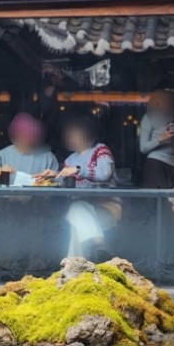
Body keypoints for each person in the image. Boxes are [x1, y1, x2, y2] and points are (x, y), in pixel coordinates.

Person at [42, 111, 118, 260]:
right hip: (82, 208)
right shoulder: (70, 159)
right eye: (69, 134)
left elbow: (104, 173)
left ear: (87, 133)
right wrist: (53, 177)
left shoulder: (100, 150)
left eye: (74, 133)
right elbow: (66, 184)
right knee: (76, 213)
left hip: (106, 206)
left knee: (75, 210)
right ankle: (98, 247)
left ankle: (74, 269)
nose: (70, 137)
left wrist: (78, 169)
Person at [0, 112, 59, 186]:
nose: (27, 139)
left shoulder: (48, 157)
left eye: (31, 135)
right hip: (6, 201)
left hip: (40, 201)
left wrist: (53, 178)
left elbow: (61, 185)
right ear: (15, 135)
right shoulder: (1, 156)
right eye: (23, 135)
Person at [139, 89, 174, 188]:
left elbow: (171, 146)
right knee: (159, 201)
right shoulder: (148, 117)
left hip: (173, 165)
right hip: (156, 164)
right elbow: (143, 148)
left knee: (172, 200)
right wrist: (161, 138)